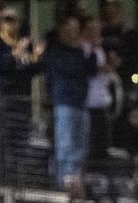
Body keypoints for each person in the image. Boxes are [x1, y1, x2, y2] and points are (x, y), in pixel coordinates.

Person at [0, 10, 46, 184]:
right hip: (1, 96)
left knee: (20, 137)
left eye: (13, 20)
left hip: (20, 97)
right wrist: (13, 55)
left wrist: (37, 57)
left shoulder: (24, 43)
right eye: (6, 20)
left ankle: (18, 178)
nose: (10, 24)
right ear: (0, 23)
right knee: (0, 137)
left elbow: (32, 69)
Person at [45, 16, 97, 193]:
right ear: (62, 32)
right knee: (66, 144)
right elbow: (72, 69)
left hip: (81, 103)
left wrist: (92, 50)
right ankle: (64, 181)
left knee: (81, 145)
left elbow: (91, 69)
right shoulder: (56, 52)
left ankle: (76, 180)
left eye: (76, 30)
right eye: (70, 30)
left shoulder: (80, 51)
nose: (74, 34)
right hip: (65, 103)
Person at [81, 18, 114, 167]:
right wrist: (102, 68)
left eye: (98, 30)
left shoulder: (99, 49)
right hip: (88, 101)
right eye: (92, 29)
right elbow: (90, 69)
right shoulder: (82, 48)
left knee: (103, 139)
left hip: (101, 100)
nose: (96, 33)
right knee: (90, 140)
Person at [100, 0, 138, 84]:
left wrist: (122, 61)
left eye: (114, 14)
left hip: (127, 76)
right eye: (108, 16)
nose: (112, 18)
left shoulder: (130, 33)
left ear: (120, 13)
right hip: (104, 76)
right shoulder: (101, 33)